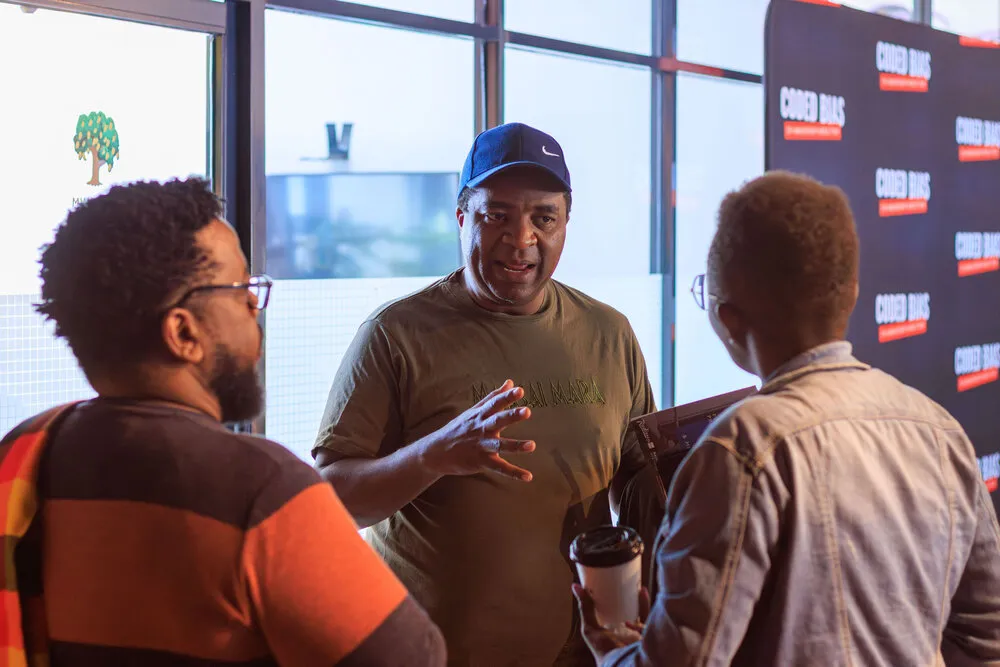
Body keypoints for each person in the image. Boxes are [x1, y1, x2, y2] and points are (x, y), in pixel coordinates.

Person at [0, 178, 445, 666]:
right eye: (239, 290)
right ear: (183, 333)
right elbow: (412, 657)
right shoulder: (260, 488)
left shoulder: (23, 456)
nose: (254, 304)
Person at [574, 171, 1000, 666]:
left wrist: (614, 652)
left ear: (727, 318)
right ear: (852, 294)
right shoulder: (937, 429)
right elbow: (983, 636)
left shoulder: (741, 447)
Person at [314, 122, 660, 666]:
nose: (521, 239)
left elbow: (642, 480)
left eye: (543, 217)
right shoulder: (395, 335)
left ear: (566, 223)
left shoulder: (608, 333)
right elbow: (327, 502)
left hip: (588, 654)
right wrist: (432, 455)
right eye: (496, 215)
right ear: (461, 218)